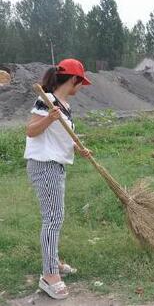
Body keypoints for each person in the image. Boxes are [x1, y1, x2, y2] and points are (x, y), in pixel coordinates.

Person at [24, 59, 92, 299]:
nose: (81, 87)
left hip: (56, 164)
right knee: (52, 218)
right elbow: (31, 130)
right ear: (73, 79)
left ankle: (53, 261)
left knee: (56, 217)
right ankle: (49, 275)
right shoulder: (48, 100)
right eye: (81, 82)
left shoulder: (64, 104)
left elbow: (59, 136)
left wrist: (76, 147)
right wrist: (49, 118)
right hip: (44, 165)